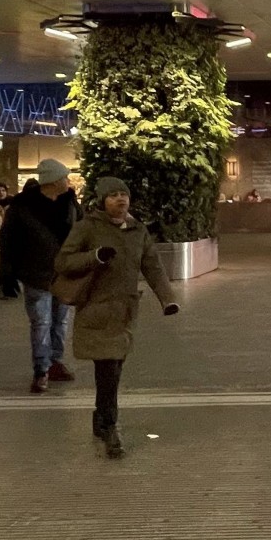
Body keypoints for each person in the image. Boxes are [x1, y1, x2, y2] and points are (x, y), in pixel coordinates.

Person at [55, 177, 179, 459]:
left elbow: (153, 267)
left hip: (125, 312)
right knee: (108, 369)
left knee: (113, 369)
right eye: (113, 195)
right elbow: (63, 262)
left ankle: (101, 417)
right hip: (97, 310)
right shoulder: (88, 227)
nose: (120, 200)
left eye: (124, 194)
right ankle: (110, 427)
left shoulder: (138, 230)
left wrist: (168, 299)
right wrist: (95, 256)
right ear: (101, 201)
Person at [0, 159, 82, 394]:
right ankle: (41, 369)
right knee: (41, 322)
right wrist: (8, 273)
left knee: (60, 322)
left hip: (65, 275)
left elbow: (83, 233)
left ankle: (55, 361)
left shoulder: (71, 205)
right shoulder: (23, 207)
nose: (68, 181)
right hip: (36, 274)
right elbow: (7, 241)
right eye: (65, 177)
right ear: (54, 180)